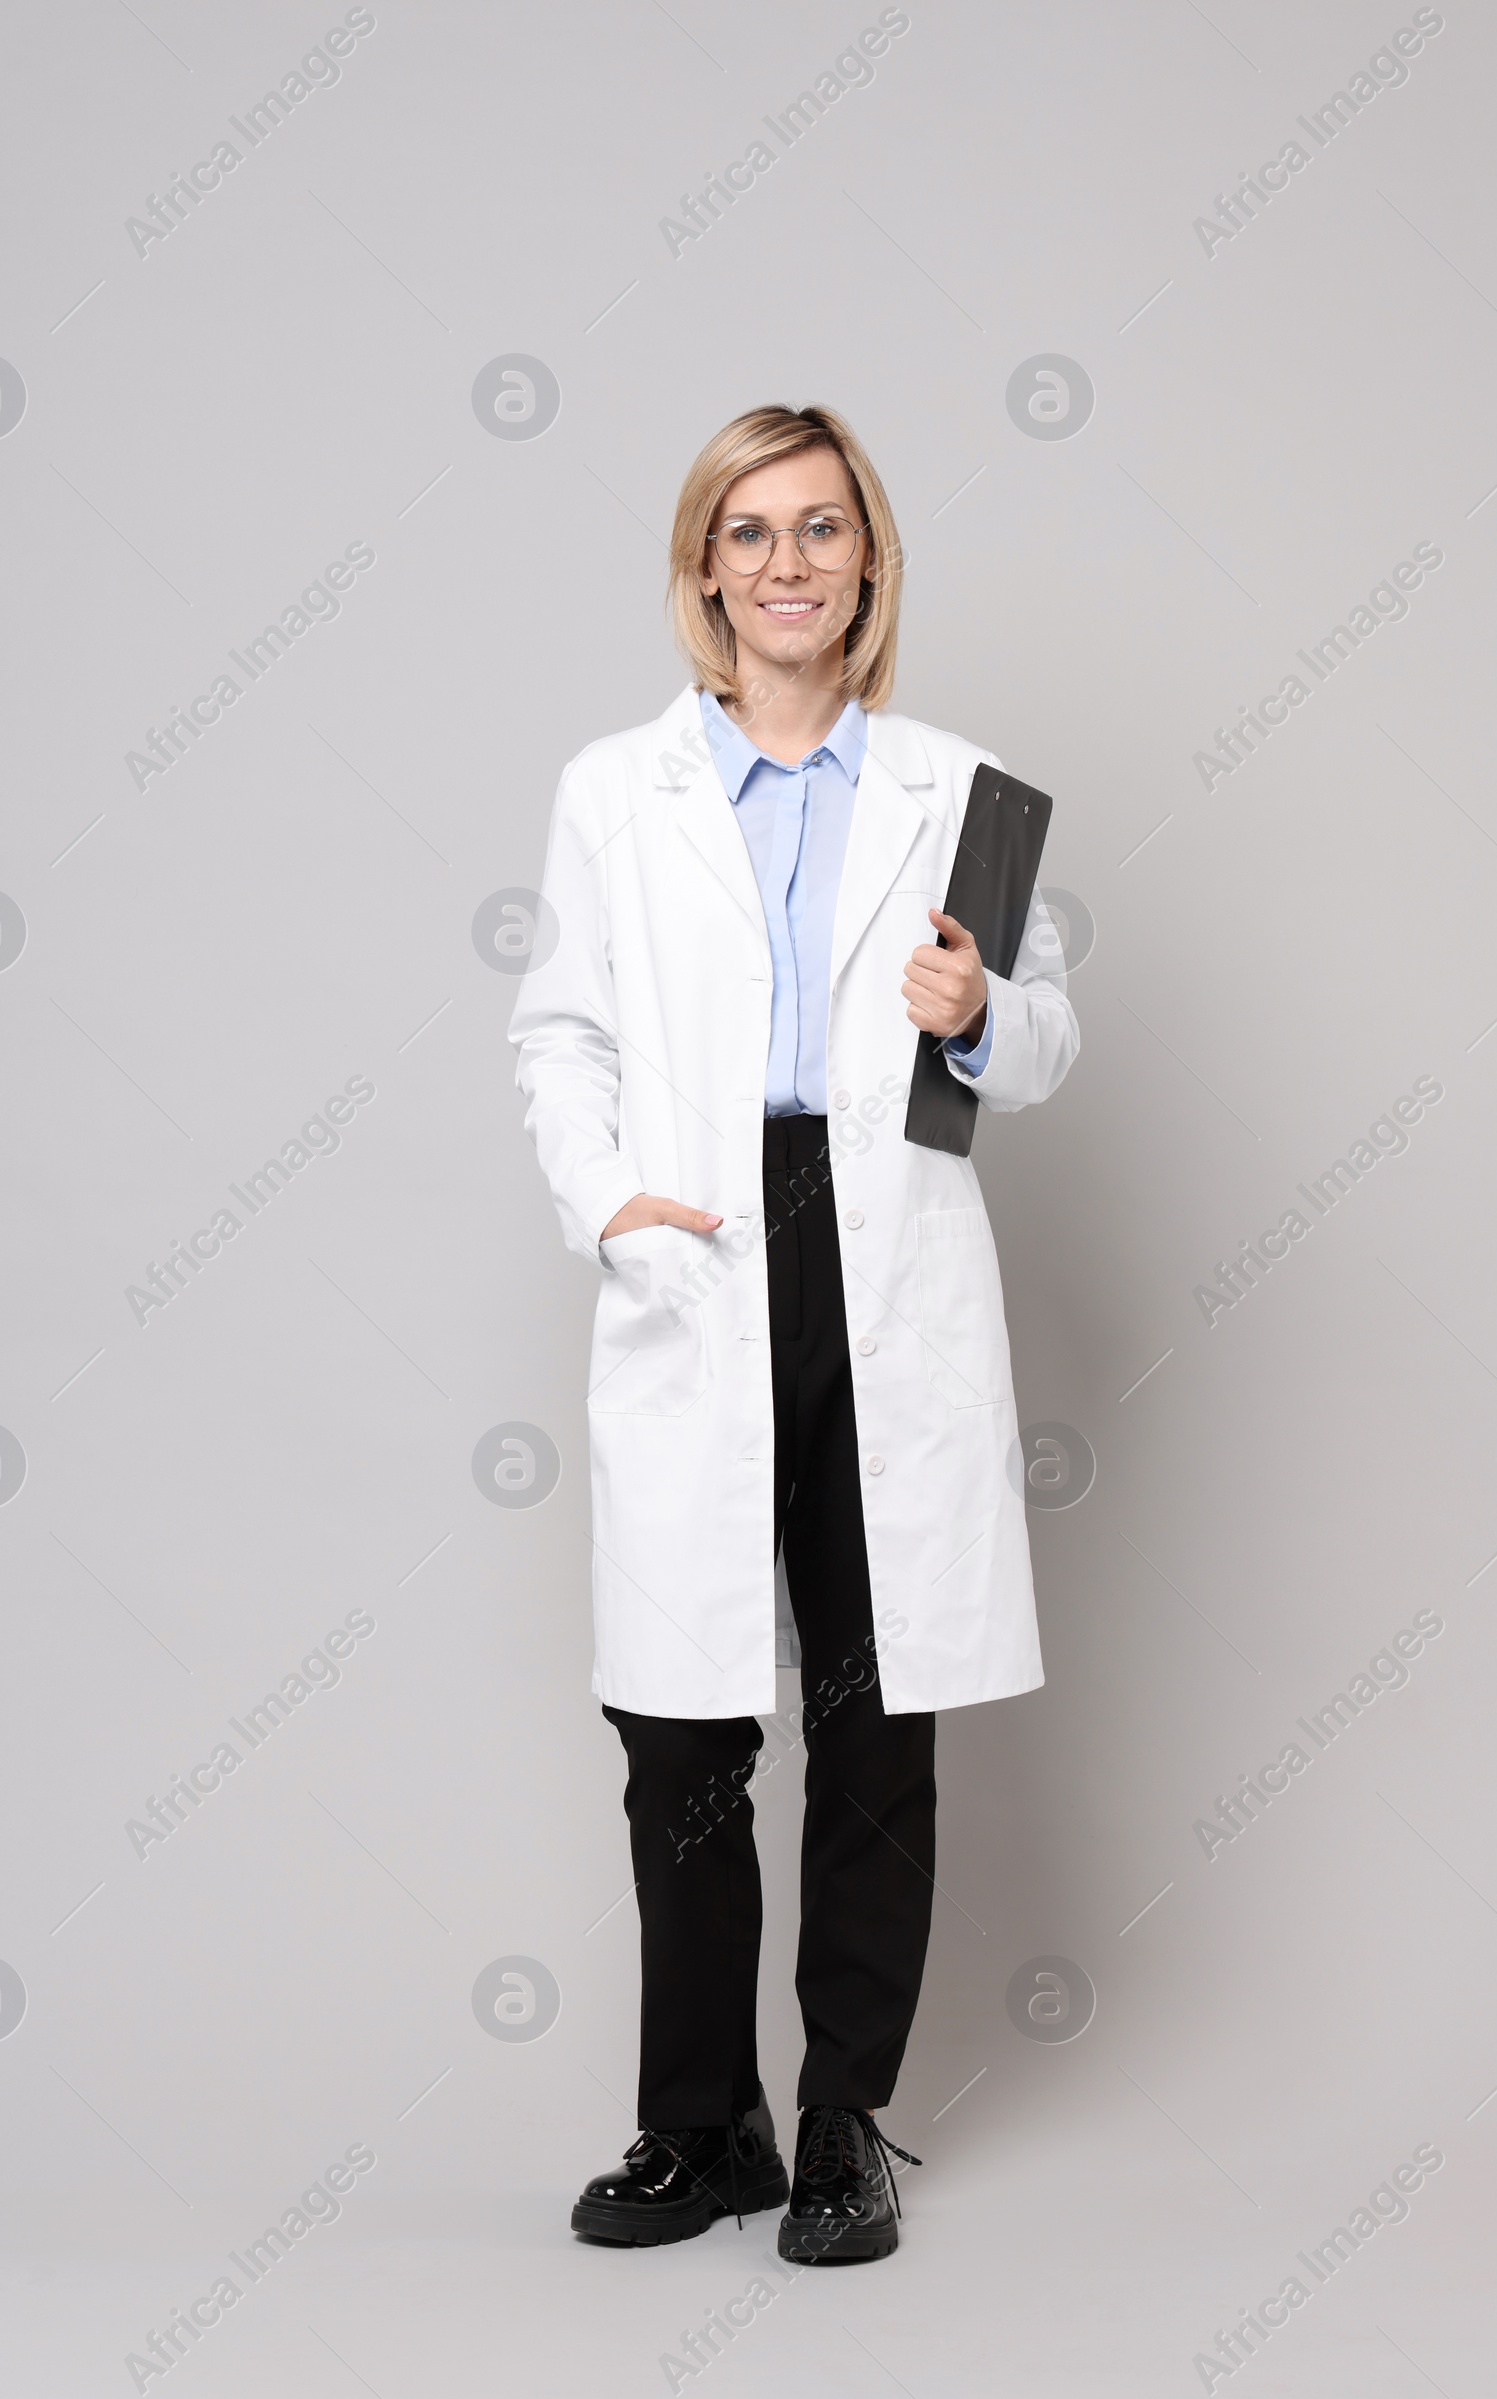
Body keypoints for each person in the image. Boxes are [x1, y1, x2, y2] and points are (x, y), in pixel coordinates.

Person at [508, 403, 1079, 2263]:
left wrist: (983, 1004)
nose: (786, 565)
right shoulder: (618, 788)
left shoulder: (961, 787)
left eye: (821, 529)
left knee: (873, 1706)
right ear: (703, 571)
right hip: (704, 1244)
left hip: (882, 1250)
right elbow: (561, 1034)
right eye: (748, 533)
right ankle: (703, 2127)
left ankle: (842, 2124)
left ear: (868, 564)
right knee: (681, 1732)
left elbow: (1046, 1044)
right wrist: (609, 1201)